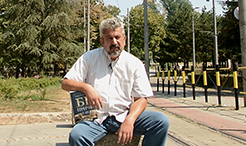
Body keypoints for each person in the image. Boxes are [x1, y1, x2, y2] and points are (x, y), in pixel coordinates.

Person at [62, 17, 169, 146]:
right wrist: (86, 88)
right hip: (97, 119)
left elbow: (141, 99)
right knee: (77, 135)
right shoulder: (89, 58)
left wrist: (130, 120)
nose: (114, 42)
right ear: (102, 42)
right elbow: (66, 83)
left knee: (161, 122)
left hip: (124, 115)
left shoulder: (134, 63)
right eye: (109, 38)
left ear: (124, 40)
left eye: (117, 37)